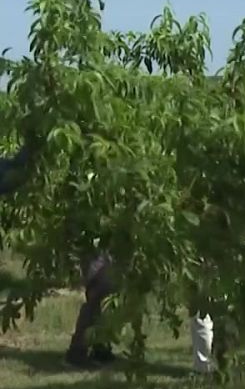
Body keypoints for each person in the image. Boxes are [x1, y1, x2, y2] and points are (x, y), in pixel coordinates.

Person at [2, 139, 216, 371]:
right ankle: (77, 352)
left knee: (113, 289)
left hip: (109, 232)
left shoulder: (112, 161)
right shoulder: (83, 170)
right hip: (90, 233)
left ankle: (100, 347)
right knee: (101, 288)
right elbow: (17, 172)